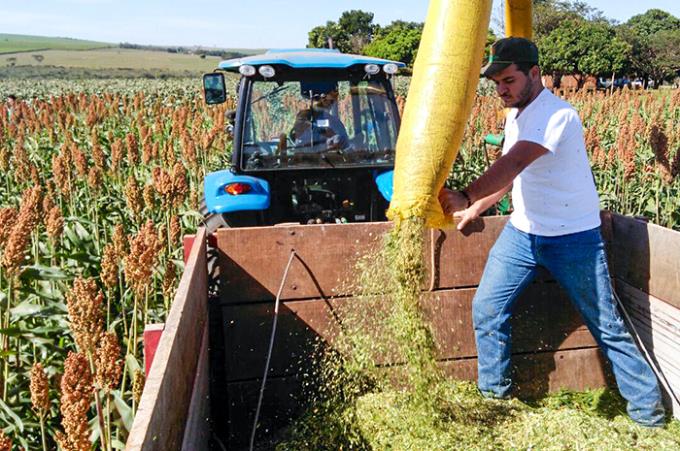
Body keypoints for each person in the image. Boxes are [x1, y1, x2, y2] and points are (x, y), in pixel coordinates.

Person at [439, 37, 665, 427]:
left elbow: (515, 161)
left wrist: (465, 193)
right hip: (523, 233)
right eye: (496, 83)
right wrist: (478, 206)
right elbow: (512, 177)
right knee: (488, 309)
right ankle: (496, 399)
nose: (502, 90)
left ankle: (649, 416)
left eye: (508, 80)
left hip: (574, 238)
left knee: (606, 326)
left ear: (535, 73)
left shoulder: (559, 115)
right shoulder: (515, 116)